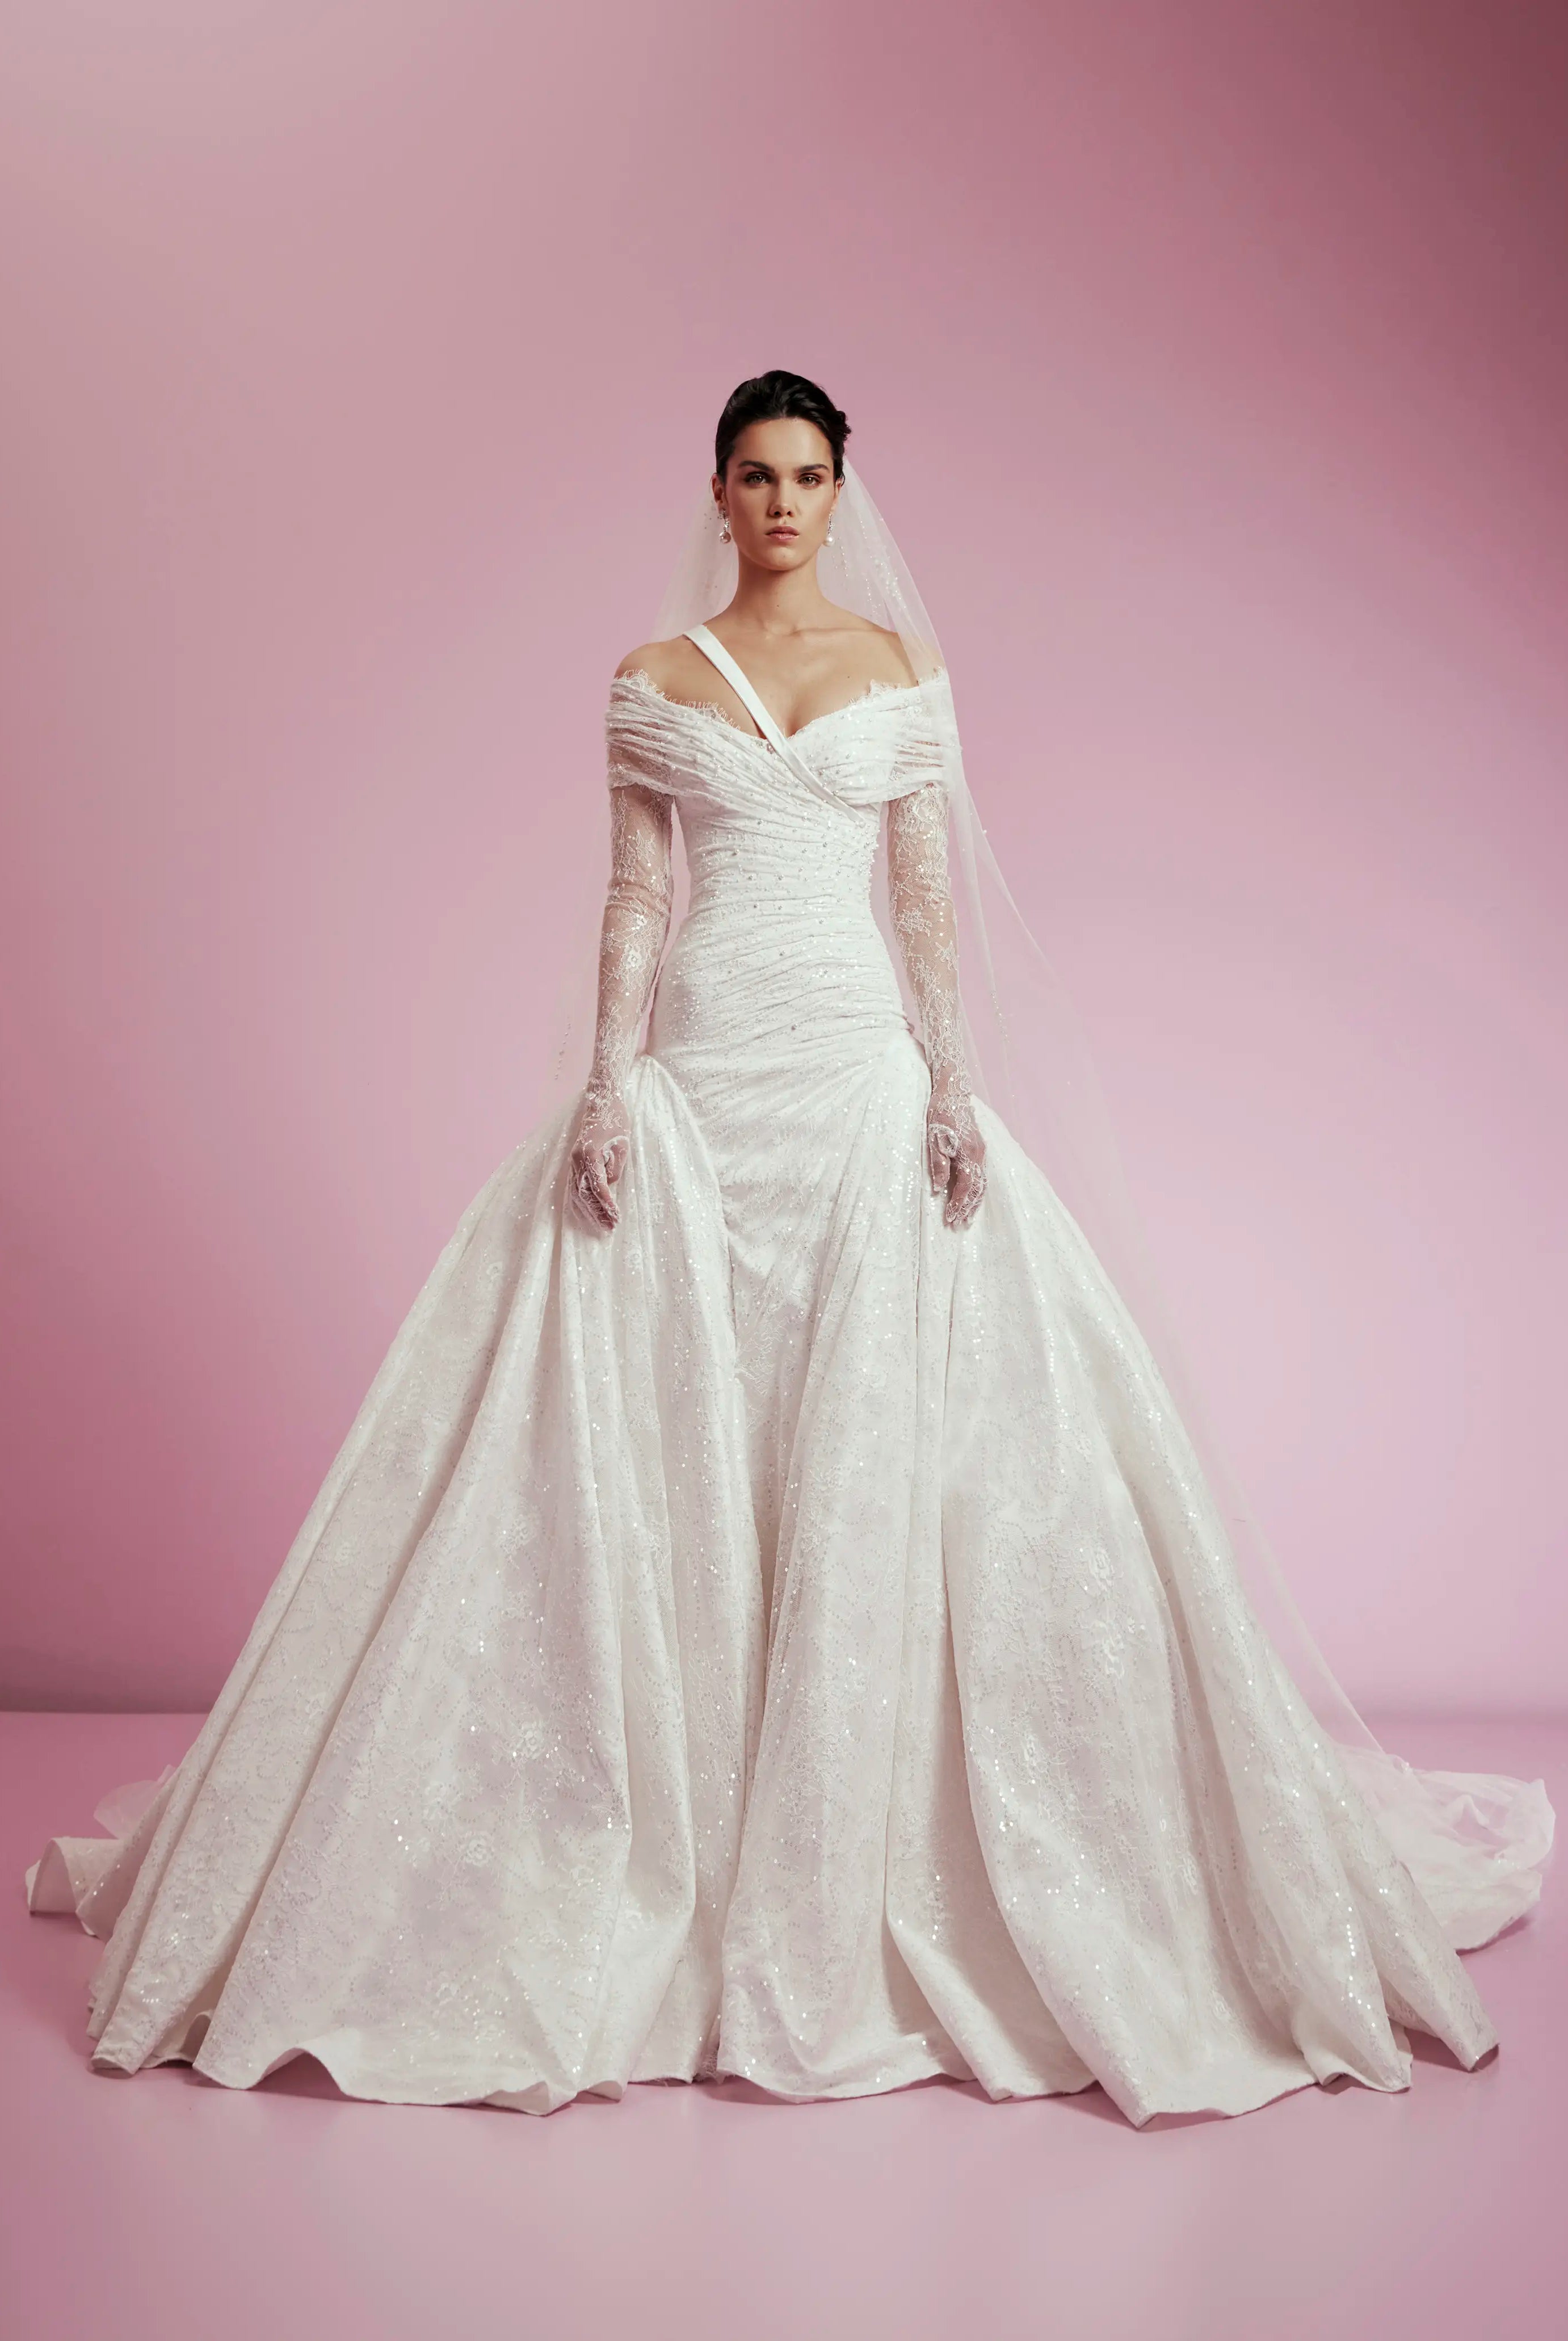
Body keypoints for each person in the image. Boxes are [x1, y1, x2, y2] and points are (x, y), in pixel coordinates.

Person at [28, 371, 1553, 2126]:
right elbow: (634, 895)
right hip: (696, 1086)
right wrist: (608, 1089)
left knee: (873, 1449)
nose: (778, 502)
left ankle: (861, 1865)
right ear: (717, 491)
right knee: (658, 1449)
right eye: (754, 475)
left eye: (807, 476)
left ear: (840, 492)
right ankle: (653, 1850)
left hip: (852, 1081)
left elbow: (923, 899)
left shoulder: (900, 673)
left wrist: (951, 1085)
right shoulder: (650, 677)